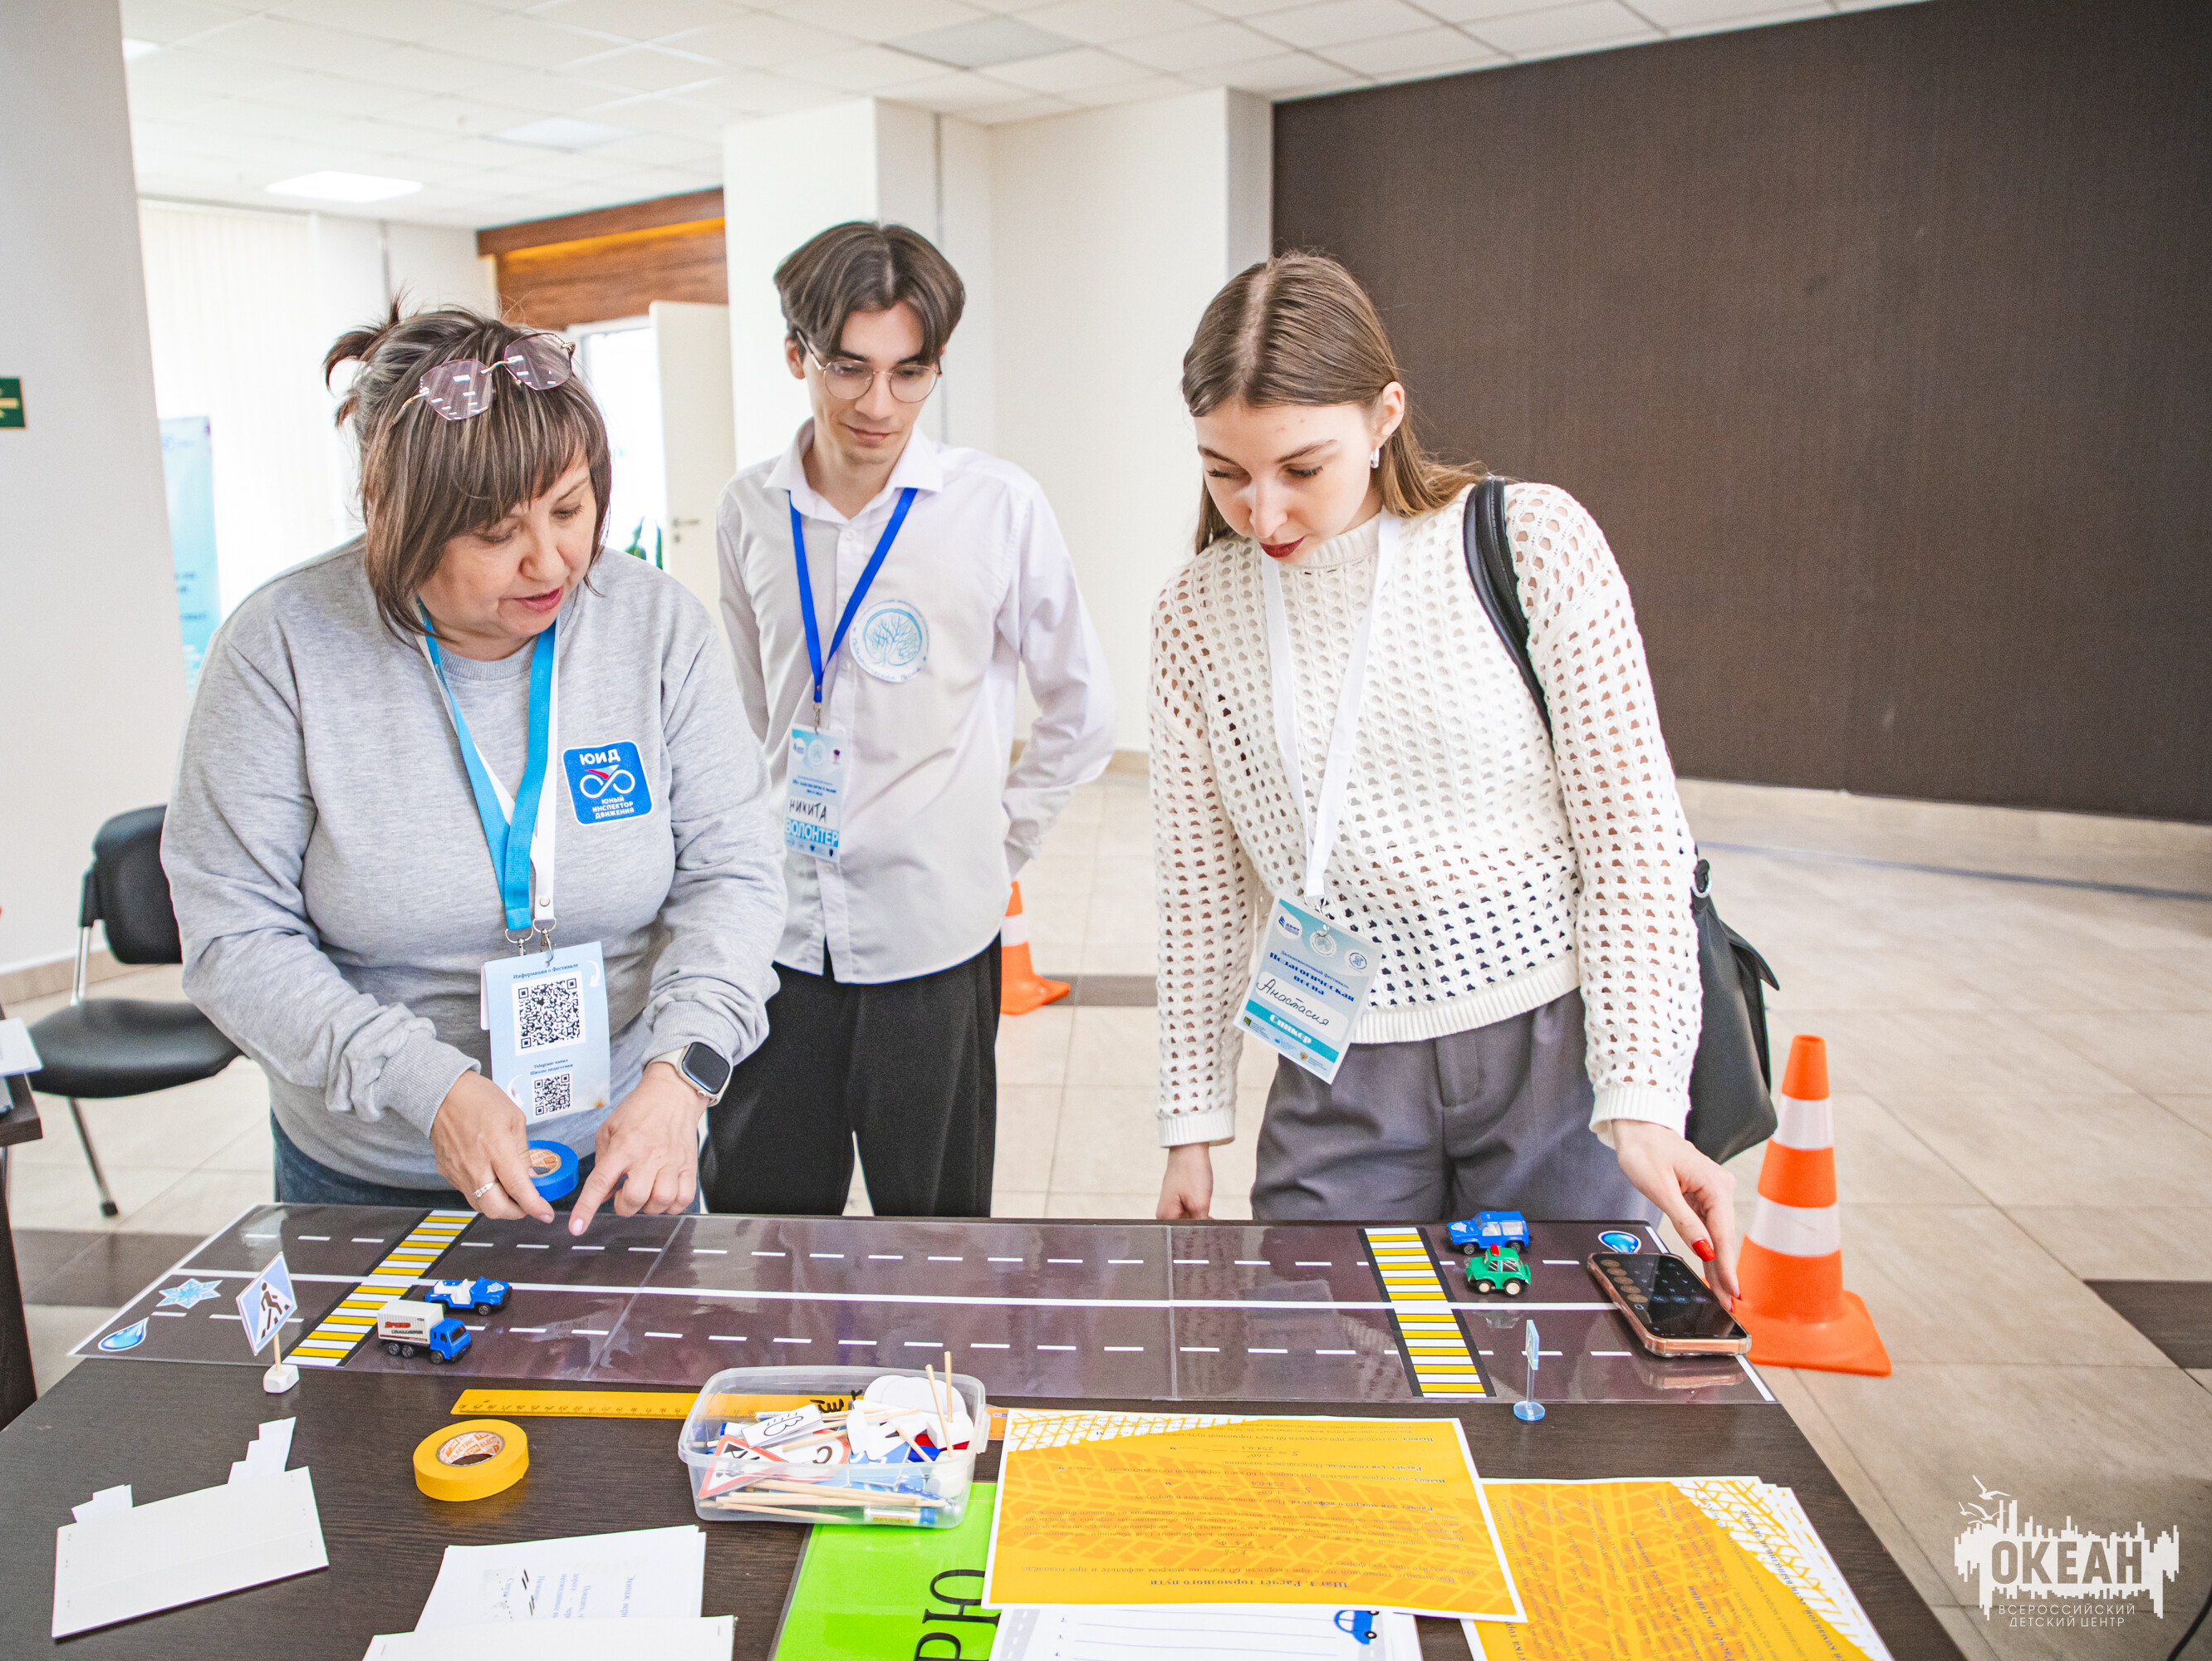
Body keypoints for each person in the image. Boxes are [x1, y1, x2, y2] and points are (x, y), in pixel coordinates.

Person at [1150, 252, 1740, 1300]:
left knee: (1552, 1350)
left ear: (1385, 415)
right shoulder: (1196, 615)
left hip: (1549, 1049)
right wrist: (1192, 1122)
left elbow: (1633, 842)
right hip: (1334, 1053)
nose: (1263, 514)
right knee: (1325, 1353)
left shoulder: (1531, 542)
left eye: (1302, 468)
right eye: (1225, 473)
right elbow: (1203, 891)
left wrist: (1643, 1093)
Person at [163, 306, 783, 1231]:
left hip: (623, 1148)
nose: (552, 560)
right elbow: (233, 935)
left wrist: (680, 1073)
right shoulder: (281, 646)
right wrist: (429, 1087)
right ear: (398, 521)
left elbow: (732, 876)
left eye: (570, 510)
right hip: (372, 1172)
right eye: (496, 533)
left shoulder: (654, 628)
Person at [709, 222, 1114, 1218]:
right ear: (796, 354)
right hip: (781, 943)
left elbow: (1082, 710)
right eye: (849, 367)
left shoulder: (997, 508)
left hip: (935, 944)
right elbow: (754, 714)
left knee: (939, 1240)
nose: (878, 404)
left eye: (910, 372)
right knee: (768, 1235)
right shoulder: (749, 510)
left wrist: (995, 843)